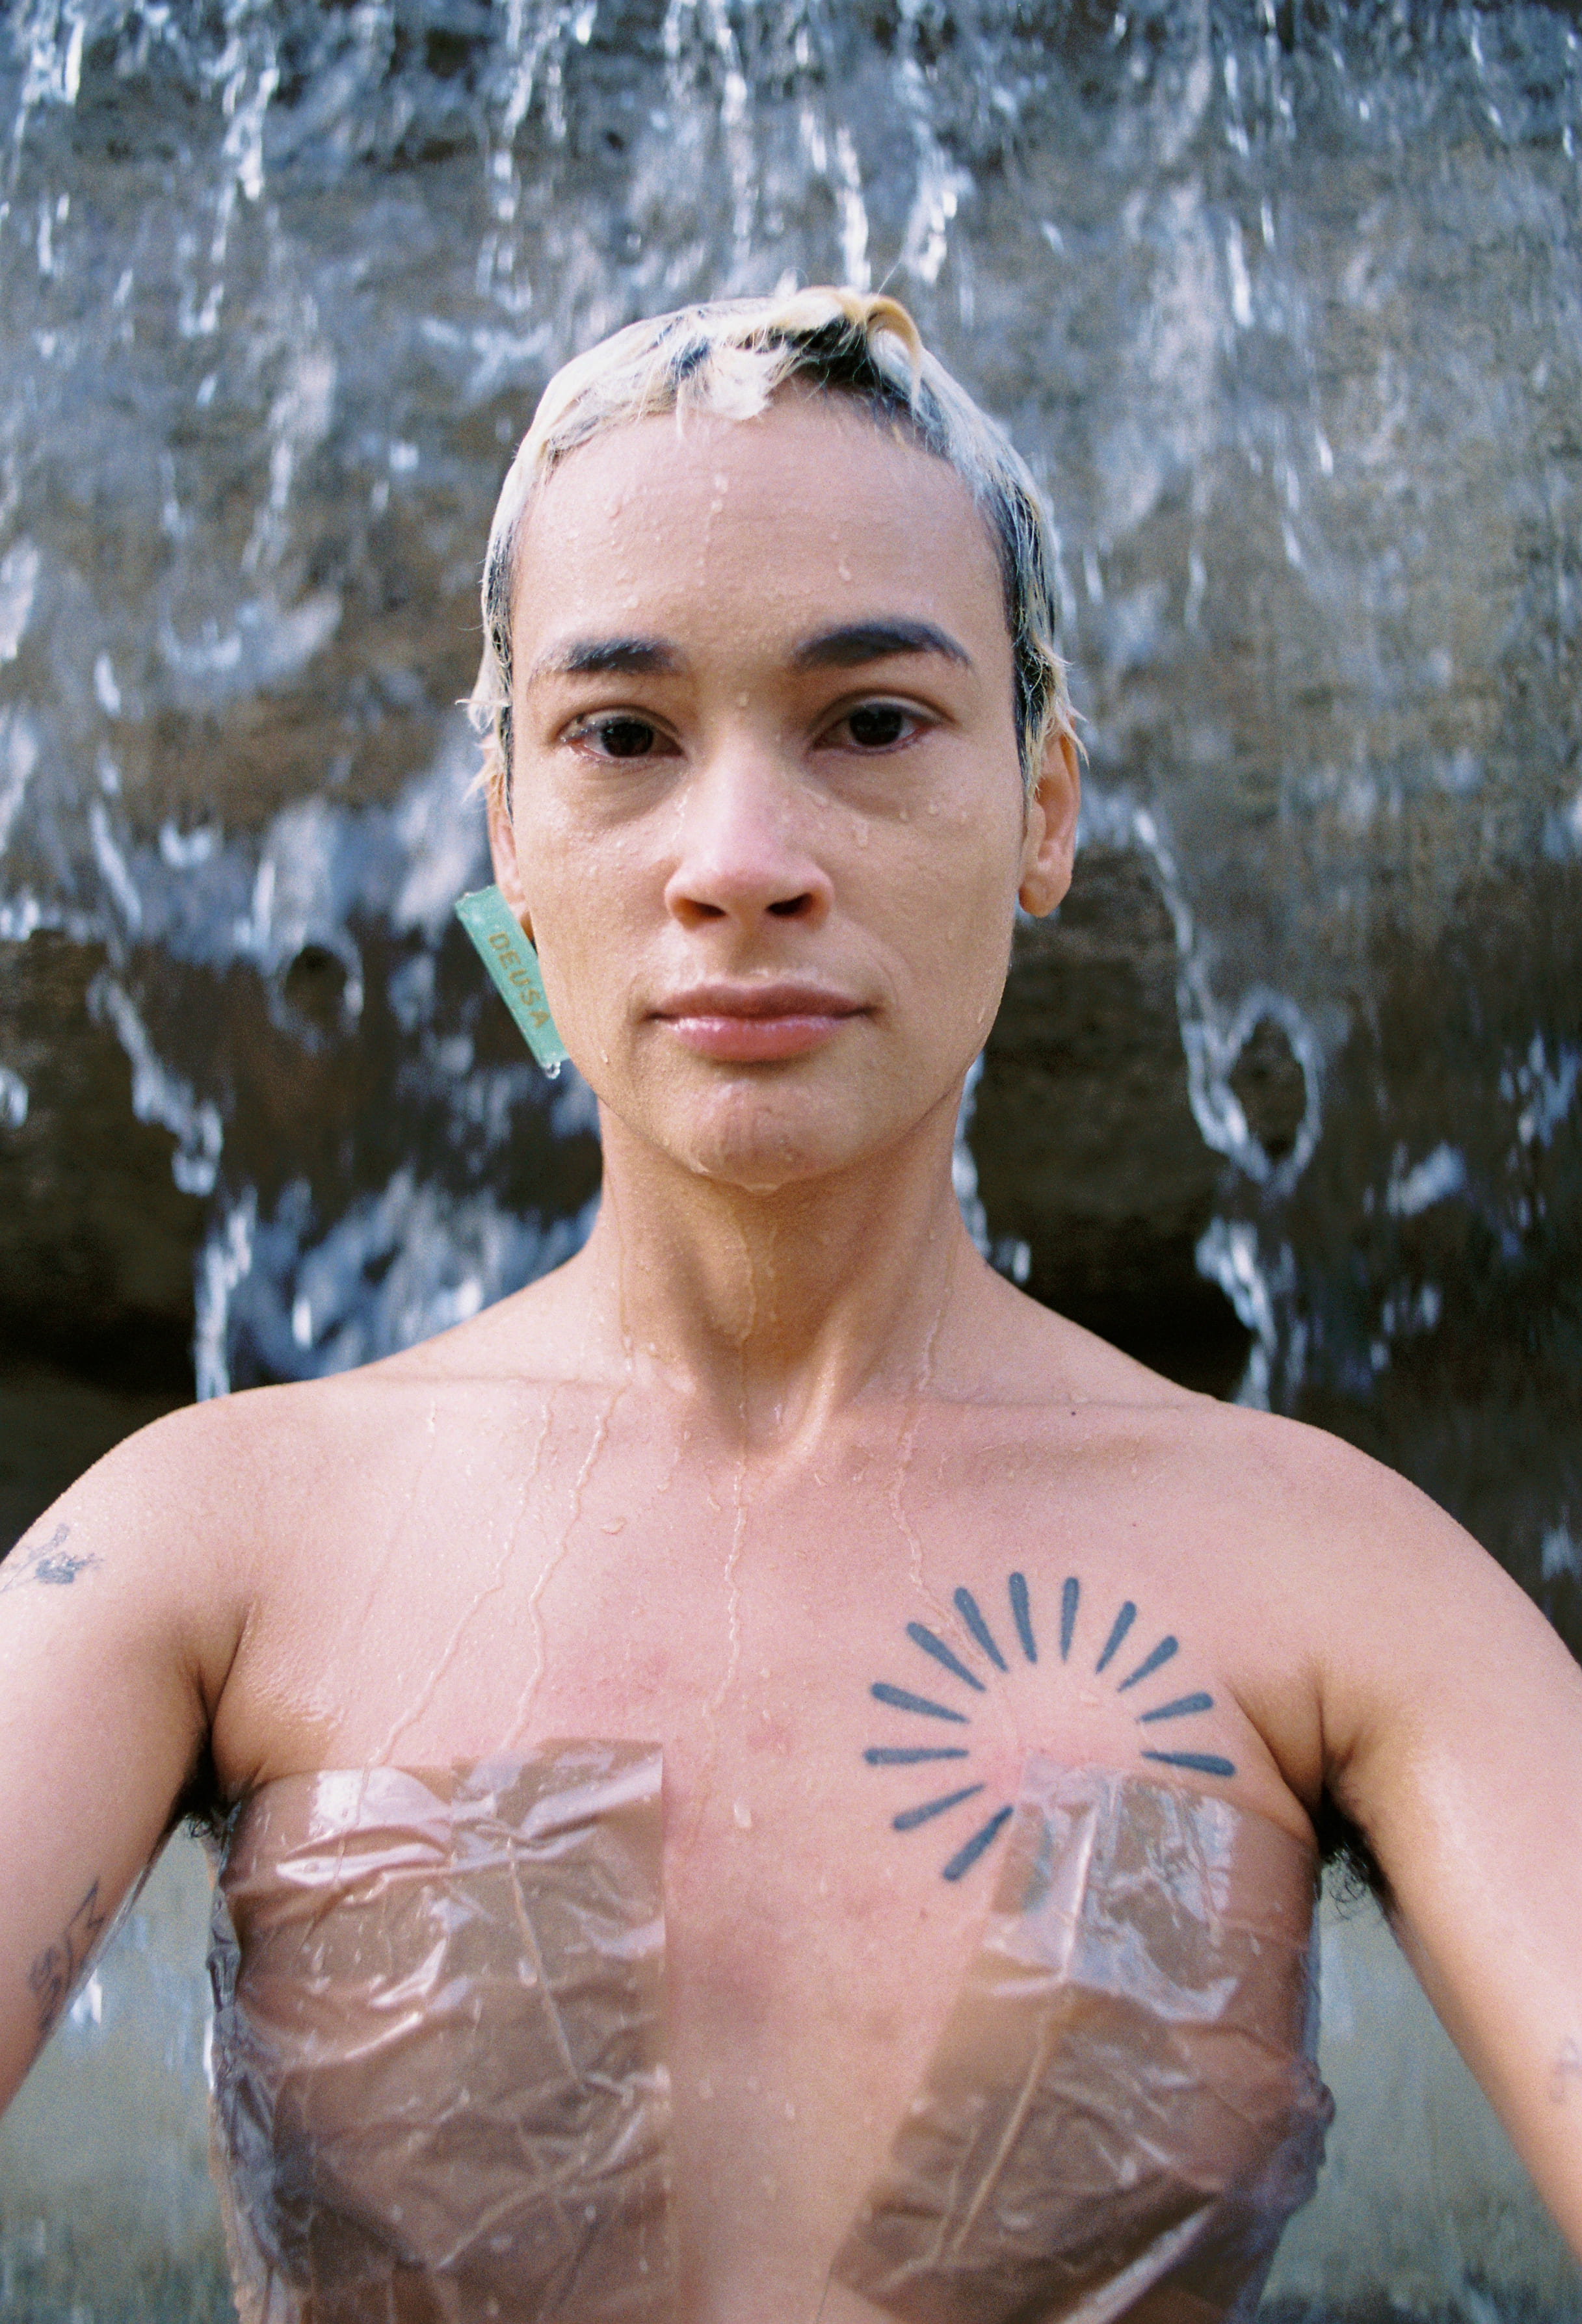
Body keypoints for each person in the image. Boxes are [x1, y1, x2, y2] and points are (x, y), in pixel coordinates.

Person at [1, 285, 1579, 2324]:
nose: (739, 862)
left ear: (1043, 805)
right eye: (622, 738)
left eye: (871, 723)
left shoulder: (1342, 1580)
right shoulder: (201, 1544)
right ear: (507, 837)